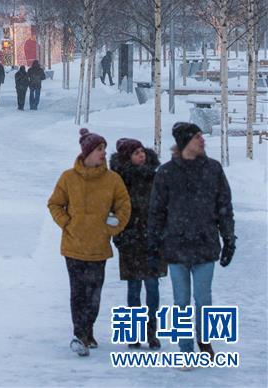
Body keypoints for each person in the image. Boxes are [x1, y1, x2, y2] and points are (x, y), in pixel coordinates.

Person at [147, 122, 236, 361]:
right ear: (185, 141)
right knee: (181, 301)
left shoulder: (213, 169)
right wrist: (152, 244)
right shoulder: (166, 173)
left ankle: (204, 341)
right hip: (176, 246)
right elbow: (156, 211)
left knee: (203, 299)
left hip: (205, 245)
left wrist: (229, 239)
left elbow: (224, 207)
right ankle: (185, 348)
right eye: (197, 137)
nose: (202, 140)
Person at [48, 128, 131, 356]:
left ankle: (88, 330)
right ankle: (80, 334)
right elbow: (55, 204)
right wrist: (67, 223)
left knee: (94, 294)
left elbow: (124, 206)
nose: (103, 153)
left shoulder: (113, 180)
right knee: (78, 293)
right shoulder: (68, 178)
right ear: (87, 153)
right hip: (73, 246)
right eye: (98, 149)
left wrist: (111, 228)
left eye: (104, 149)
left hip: (98, 247)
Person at [109, 138, 166, 349]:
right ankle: (134, 332)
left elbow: (164, 207)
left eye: (142, 151)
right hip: (130, 241)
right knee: (133, 288)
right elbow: (113, 211)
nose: (141, 155)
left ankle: (152, 332)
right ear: (127, 158)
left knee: (152, 287)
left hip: (152, 241)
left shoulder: (156, 177)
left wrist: (162, 233)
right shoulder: (119, 180)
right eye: (136, 153)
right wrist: (120, 236)